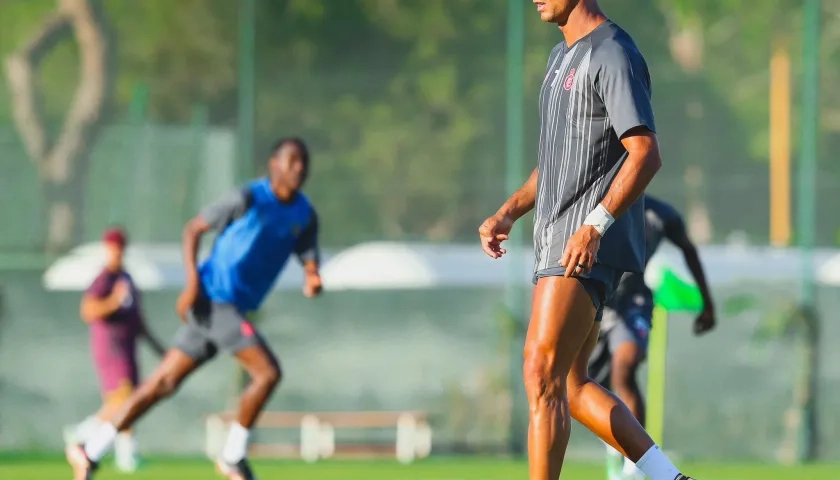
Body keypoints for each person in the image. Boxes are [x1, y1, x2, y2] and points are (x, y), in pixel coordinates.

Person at [478, 1, 695, 479]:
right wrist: (508, 212)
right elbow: (555, 163)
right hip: (556, 237)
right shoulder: (560, 59)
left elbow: (645, 153)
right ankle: (668, 477)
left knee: (539, 371)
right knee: (571, 386)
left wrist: (594, 225)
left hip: (581, 243)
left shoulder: (613, 51)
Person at [66, 137, 323, 480]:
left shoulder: (304, 214)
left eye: (303, 162)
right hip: (216, 301)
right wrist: (192, 284)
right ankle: (232, 456)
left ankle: (90, 451)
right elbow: (194, 229)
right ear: (274, 165)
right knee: (267, 372)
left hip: (230, 308)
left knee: (161, 384)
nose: (299, 169)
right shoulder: (248, 197)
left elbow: (307, 248)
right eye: (291, 161)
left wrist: (312, 274)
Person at [587, 195, 716, 480]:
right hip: (595, 296)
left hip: (634, 301)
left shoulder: (661, 214)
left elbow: (689, 250)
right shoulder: (593, 202)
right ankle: (614, 453)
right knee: (586, 386)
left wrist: (708, 303)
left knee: (626, 369)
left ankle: (635, 468)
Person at [63, 227, 166, 473]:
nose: (118, 252)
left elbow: (139, 320)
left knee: (131, 400)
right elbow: (88, 311)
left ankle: (126, 454)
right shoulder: (104, 280)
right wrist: (113, 301)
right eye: (113, 247)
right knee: (123, 398)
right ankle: (81, 434)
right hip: (110, 348)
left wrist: (160, 350)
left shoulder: (127, 278)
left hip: (128, 347)